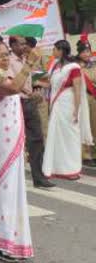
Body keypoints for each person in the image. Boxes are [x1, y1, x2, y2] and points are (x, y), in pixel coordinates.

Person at [0, 38, 39, 262]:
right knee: (2, 187)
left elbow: (23, 87)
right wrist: (29, 65)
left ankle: (10, 240)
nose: (5, 58)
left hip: (11, 138)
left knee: (13, 187)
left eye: (6, 54)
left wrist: (21, 66)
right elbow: (13, 89)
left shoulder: (2, 72)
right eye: (1, 55)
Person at [8, 37, 55, 188]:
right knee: (16, 142)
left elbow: (33, 79)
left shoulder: (27, 59)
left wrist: (34, 90)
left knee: (36, 139)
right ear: (13, 45)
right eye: (21, 44)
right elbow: (14, 82)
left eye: (25, 44)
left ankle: (39, 178)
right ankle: (14, 179)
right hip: (15, 102)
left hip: (29, 102)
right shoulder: (8, 60)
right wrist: (29, 92)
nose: (24, 47)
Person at [43, 40, 93, 179]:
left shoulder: (73, 67)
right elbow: (50, 85)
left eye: (54, 49)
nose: (53, 52)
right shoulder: (55, 65)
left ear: (61, 50)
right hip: (57, 105)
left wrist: (76, 110)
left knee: (70, 137)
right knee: (57, 135)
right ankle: (57, 168)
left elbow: (77, 89)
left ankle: (71, 169)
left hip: (69, 105)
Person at [76, 36, 96, 168]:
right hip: (83, 98)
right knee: (85, 124)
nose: (86, 54)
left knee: (94, 124)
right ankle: (86, 154)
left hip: (94, 98)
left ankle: (94, 153)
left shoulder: (94, 65)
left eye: (88, 51)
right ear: (79, 53)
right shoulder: (76, 66)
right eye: (83, 52)